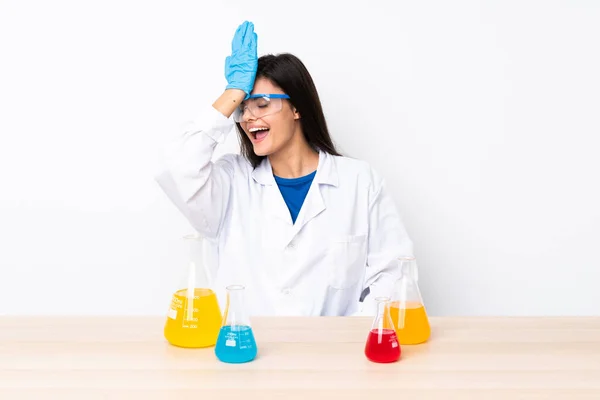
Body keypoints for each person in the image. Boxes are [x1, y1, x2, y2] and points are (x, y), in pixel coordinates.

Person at [155, 21, 414, 316]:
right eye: (243, 107)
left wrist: (344, 343)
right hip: (244, 354)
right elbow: (175, 167)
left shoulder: (358, 182)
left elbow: (393, 277)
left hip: (334, 355)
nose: (248, 117)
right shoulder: (230, 182)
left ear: (296, 108)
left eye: (262, 104)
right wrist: (232, 92)